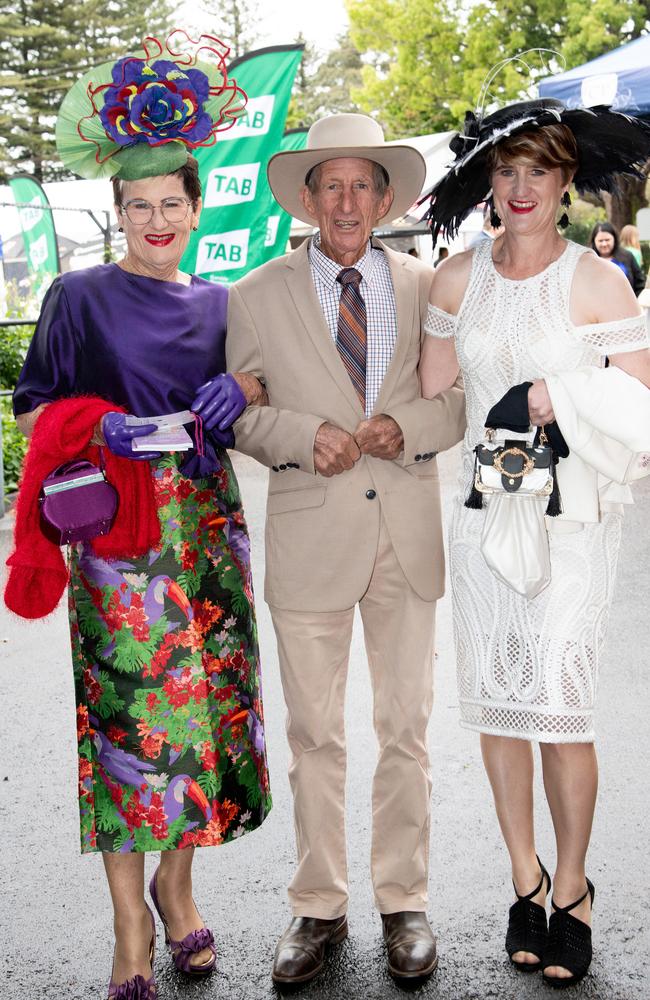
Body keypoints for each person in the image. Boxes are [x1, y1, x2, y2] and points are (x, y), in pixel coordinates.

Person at [7, 35, 271, 999]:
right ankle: (131, 930)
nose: (157, 220)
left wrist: (240, 387)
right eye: (138, 206)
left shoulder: (219, 302)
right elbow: (33, 408)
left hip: (205, 532)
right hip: (118, 542)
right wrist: (100, 422)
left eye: (173, 203)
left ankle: (177, 885)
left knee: (198, 729)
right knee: (128, 732)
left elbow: (259, 388)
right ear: (116, 214)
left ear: (197, 210)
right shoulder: (77, 296)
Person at [225, 112, 466, 985]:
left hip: (405, 530)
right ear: (307, 198)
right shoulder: (252, 295)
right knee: (313, 732)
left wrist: (409, 423)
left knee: (406, 729)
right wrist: (299, 433)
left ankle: (405, 901)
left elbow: (461, 401)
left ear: (386, 196)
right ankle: (318, 907)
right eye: (331, 184)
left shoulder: (429, 287)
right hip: (311, 533)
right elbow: (242, 411)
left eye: (363, 183)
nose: (347, 200)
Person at [421, 97, 650, 988]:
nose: (521, 189)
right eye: (508, 171)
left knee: (560, 707)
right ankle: (527, 878)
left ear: (565, 185)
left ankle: (577, 888)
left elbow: (641, 409)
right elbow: (438, 404)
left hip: (574, 531)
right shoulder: (453, 280)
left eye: (540, 173)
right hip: (484, 520)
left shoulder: (598, 283)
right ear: (490, 181)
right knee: (499, 705)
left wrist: (562, 389)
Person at [590, 220, 645, 295]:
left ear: (614, 239)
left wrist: (635, 301)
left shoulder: (627, 256)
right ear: (594, 241)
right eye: (600, 241)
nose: (604, 244)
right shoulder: (589, 260)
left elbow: (640, 282)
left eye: (607, 240)